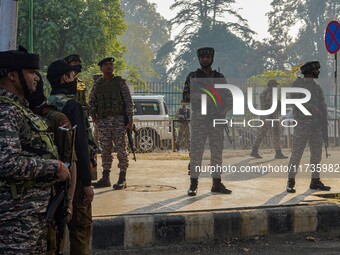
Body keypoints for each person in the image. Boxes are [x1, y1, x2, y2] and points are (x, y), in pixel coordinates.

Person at [0, 48, 70, 254]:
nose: (36, 78)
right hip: (14, 222)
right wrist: (53, 167)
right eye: (31, 72)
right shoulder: (6, 111)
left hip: (30, 217)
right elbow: (6, 162)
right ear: (12, 75)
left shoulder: (19, 108)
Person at [26, 72, 77, 254]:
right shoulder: (21, 115)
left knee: (53, 246)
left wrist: (69, 202)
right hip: (27, 209)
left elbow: (70, 164)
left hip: (53, 202)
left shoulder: (57, 119)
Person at [47, 60, 94, 255]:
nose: (76, 79)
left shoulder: (47, 102)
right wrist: (87, 182)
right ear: (65, 78)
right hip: (74, 176)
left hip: (54, 175)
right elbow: (80, 147)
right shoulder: (72, 105)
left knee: (56, 231)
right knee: (80, 229)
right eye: (73, 75)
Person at [183, 47, 233, 196]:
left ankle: (216, 184)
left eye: (207, 57)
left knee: (217, 152)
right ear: (199, 59)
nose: (205, 59)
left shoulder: (219, 77)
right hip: (200, 119)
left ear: (212, 58)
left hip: (216, 119)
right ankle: (193, 184)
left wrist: (223, 111)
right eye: (202, 57)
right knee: (196, 152)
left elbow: (228, 96)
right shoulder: (192, 76)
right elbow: (186, 96)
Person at [89, 57, 134, 190]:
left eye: (110, 64)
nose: (109, 67)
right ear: (101, 68)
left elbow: (128, 102)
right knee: (105, 150)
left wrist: (130, 120)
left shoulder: (119, 82)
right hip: (103, 122)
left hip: (119, 121)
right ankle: (105, 177)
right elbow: (91, 101)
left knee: (121, 150)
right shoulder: (98, 84)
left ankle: (122, 178)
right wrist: (94, 116)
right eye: (106, 65)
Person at [286, 61, 331, 193]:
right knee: (297, 153)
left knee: (316, 154)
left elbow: (323, 105)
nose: (319, 72)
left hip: (316, 125)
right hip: (303, 123)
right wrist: (310, 107)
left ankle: (315, 181)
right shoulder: (297, 85)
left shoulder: (317, 87)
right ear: (310, 71)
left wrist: (324, 120)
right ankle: (290, 181)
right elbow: (294, 101)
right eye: (317, 69)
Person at [63, 54, 99, 171]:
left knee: (88, 146)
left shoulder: (80, 82)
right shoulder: (64, 81)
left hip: (82, 118)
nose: (78, 65)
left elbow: (83, 101)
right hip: (70, 118)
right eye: (75, 62)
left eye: (79, 62)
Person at [250, 79, 288, 159]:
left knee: (262, 133)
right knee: (275, 134)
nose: (276, 87)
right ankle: (278, 153)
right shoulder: (271, 93)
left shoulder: (263, 93)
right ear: (272, 85)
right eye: (275, 85)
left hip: (263, 116)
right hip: (270, 116)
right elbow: (273, 105)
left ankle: (254, 150)